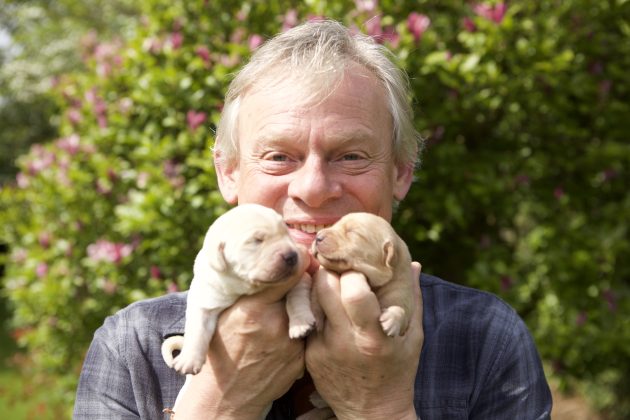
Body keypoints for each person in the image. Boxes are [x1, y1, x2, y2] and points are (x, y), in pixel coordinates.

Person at [73, 20, 552, 419]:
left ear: (401, 173)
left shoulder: (485, 338)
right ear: (229, 173)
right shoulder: (133, 346)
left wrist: (379, 408)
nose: (314, 187)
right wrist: (217, 404)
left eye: (351, 156)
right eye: (279, 156)